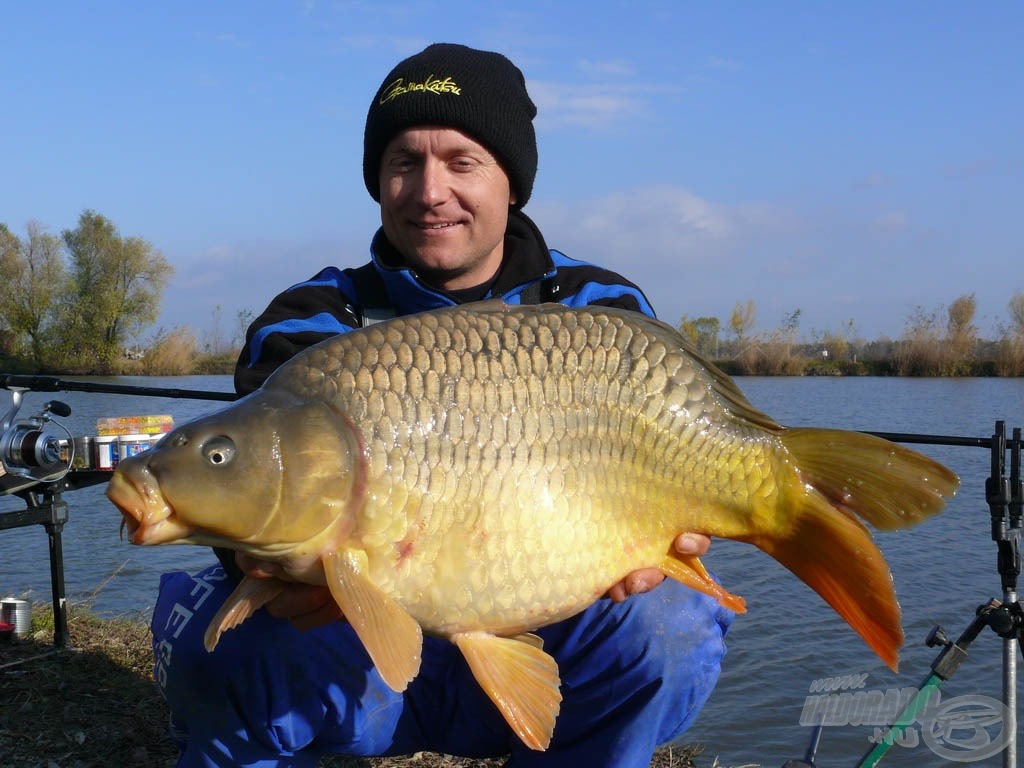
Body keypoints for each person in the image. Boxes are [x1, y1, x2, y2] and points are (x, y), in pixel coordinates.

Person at [152, 43, 733, 768]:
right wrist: (250, 561)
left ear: (510, 182)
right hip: (357, 661)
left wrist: (672, 534)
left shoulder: (599, 310)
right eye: (404, 162)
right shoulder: (308, 322)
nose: (430, 191)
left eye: (462, 162)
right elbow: (252, 504)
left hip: (549, 628)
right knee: (222, 634)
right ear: (378, 181)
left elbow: (673, 468)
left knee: (667, 622)